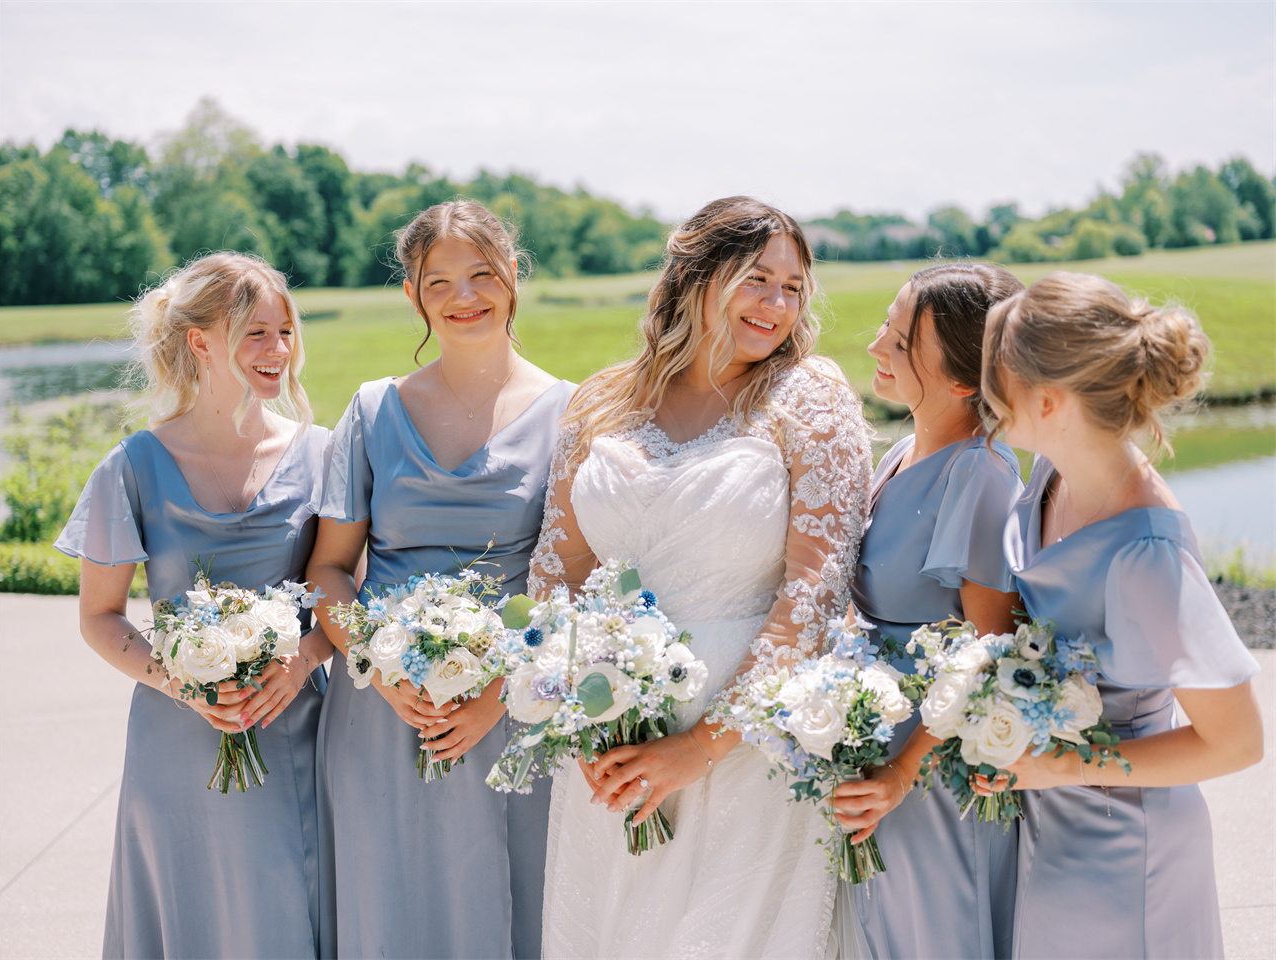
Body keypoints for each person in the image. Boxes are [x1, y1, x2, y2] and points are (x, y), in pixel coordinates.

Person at [528, 196, 875, 958]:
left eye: (793, 288)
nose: (777, 305)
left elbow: (814, 593)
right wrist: (586, 709)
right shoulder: (601, 401)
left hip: (750, 745)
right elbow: (557, 573)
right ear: (695, 277)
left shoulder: (809, 399)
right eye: (758, 279)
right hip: (611, 744)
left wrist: (702, 747)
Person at [307, 200, 573, 959]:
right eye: (440, 282)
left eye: (482, 275)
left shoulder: (571, 411)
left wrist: (501, 693)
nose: (464, 298)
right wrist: (375, 666)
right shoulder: (371, 408)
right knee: (390, 906)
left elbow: (571, 581)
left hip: (514, 706)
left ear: (513, 276)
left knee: (515, 905)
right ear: (413, 296)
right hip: (382, 713)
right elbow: (328, 567)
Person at [55, 252, 332, 957]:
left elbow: (340, 591)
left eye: (285, 333)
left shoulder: (324, 456)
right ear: (200, 342)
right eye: (255, 333)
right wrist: (179, 682)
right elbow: (100, 615)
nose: (277, 351)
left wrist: (300, 665)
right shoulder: (131, 468)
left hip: (289, 729)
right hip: (173, 744)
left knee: (284, 913)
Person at [978, 271, 1263, 958]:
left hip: (1125, 851)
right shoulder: (1049, 475)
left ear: (1048, 401)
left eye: (997, 379)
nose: (985, 393)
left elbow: (1237, 741)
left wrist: (1057, 769)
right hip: (1051, 828)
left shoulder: (1146, 550)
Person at [831, 262, 1025, 960]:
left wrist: (902, 772)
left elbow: (990, 645)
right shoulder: (904, 451)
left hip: (932, 767)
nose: (877, 346)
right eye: (886, 326)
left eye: (901, 340)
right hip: (878, 743)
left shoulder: (978, 474)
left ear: (964, 379)